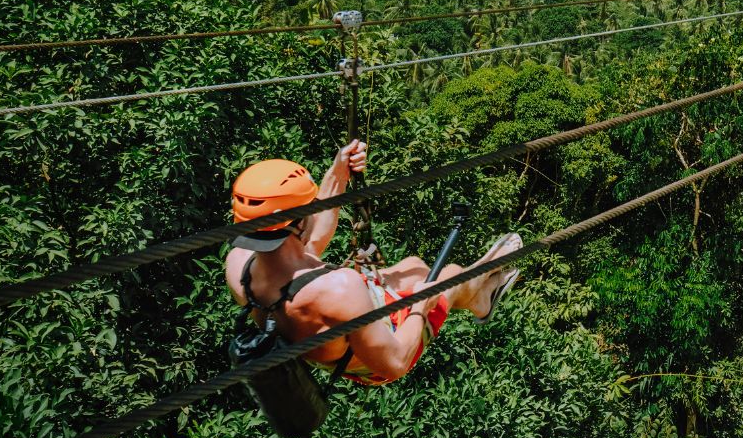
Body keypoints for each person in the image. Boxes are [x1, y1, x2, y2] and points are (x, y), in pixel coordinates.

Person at [222, 139, 521, 386]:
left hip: (325, 339)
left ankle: (479, 296)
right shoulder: (339, 289)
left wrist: (338, 174)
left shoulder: (238, 265)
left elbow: (312, 243)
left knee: (415, 266)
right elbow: (395, 363)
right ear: (298, 221)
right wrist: (421, 304)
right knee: (447, 278)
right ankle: (478, 294)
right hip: (375, 358)